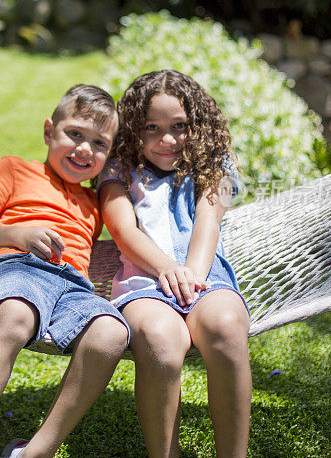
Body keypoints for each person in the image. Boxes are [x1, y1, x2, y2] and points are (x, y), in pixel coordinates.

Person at [0, 84, 130, 458]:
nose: (84, 149)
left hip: (74, 287)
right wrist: (17, 234)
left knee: (110, 333)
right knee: (14, 314)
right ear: (49, 131)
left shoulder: (95, 203)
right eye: (74, 134)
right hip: (17, 265)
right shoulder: (14, 169)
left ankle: (37, 451)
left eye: (99, 143)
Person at [98, 70, 252, 457]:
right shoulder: (119, 168)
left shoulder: (212, 163)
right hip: (144, 281)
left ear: (197, 126)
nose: (167, 140)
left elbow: (208, 219)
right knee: (160, 339)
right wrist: (167, 268)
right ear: (134, 128)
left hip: (206, 277)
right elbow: (122, 230)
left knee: (226, 324)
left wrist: (194, 276)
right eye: (152, 127)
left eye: (179, 126)